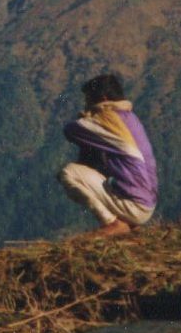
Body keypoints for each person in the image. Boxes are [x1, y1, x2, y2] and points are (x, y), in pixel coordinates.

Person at [58, 73, 159, 238]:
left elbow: (70, 130)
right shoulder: (130, 119)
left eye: (89, 101)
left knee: (69, 173)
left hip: (135, 207)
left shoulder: (109, 119)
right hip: (146, 203)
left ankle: (112, 223)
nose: (86, 106)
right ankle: (125, 223)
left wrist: (88, 116)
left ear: (103, 99)